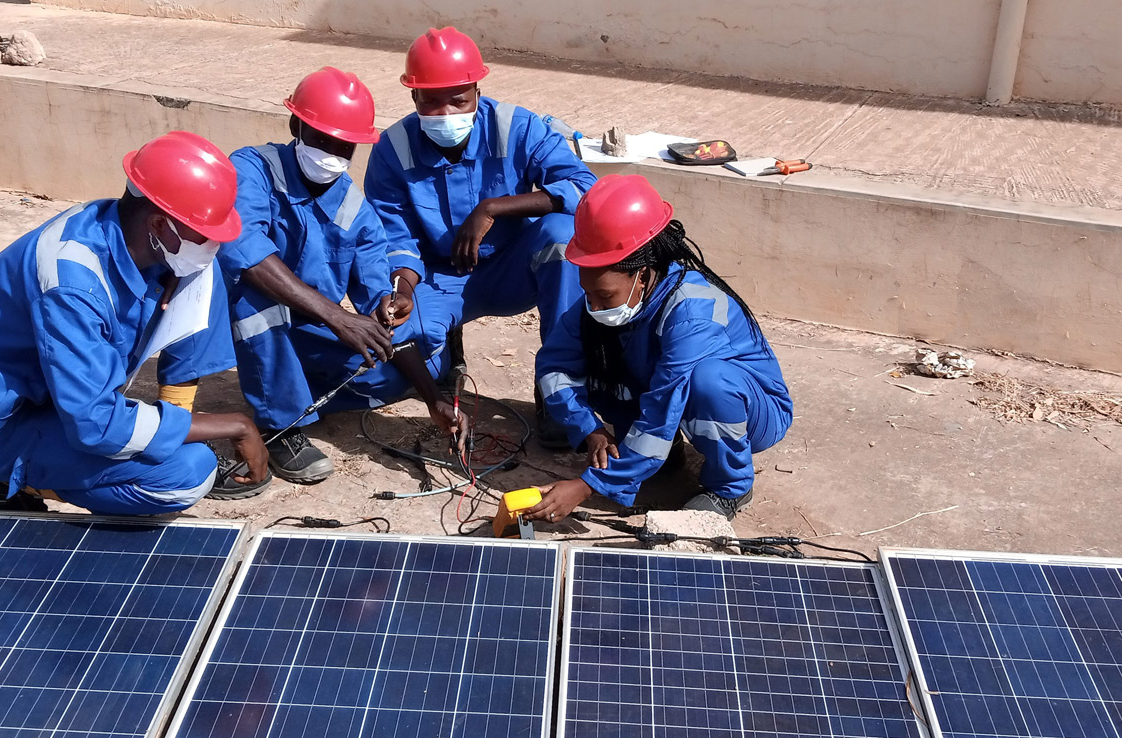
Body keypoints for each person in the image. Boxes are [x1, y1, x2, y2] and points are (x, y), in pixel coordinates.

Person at [0, 131, 271, 516]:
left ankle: (154, 434)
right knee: (187, 474)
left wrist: (182, 426)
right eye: (204, 235)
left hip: (53, 399)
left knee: (203, 276)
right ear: (158, 225)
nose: (213, 244)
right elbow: (97, 425)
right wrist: (236, 425)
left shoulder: (125, 230)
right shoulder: (72, 287)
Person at [158, 67, 467, 491]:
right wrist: (335, 316)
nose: (331, 153)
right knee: (258, 304)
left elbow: (379, 286)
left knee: (389, 375)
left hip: (302, 327)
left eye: (344, 146)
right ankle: (278, 425)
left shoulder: (354, 208)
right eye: (321, 138)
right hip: (227, 316)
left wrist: (431, 395)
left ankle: (290, 389)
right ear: (295, 125)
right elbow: (243, 254)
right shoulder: (252, 169)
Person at [364, 26, 599, 448]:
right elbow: (393, 235)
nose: (445, 112)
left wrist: (494, 207)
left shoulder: (517, 127)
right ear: (412, 97)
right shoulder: (392, 149)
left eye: (458, 98)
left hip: (515, 267)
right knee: (396, 361)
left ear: (477, 89)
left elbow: (583, 188)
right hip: (439, 279)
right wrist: (402, 287)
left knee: (562, 237)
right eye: (431, 101)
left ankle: (557, 390)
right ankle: (444, 353)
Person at [524, 175, 793, 522]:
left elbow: (664, 405)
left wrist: (587, 485)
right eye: (587, 292)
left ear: (644, 274)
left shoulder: (693, 312)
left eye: (605, 296)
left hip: (752, 409)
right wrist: (587, 428)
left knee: (708, 381)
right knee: (600, 358)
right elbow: (554, 367)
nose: (594, 304)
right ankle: (663, 457)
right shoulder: (602, 302)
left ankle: (731, 486)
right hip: (670, 394)